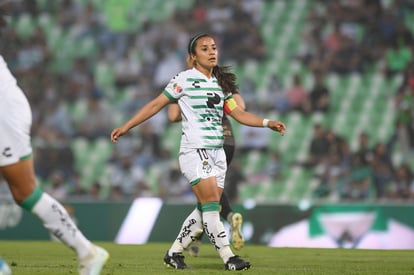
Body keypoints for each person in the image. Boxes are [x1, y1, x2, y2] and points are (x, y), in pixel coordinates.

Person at [110, 33, 286, 270]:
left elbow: (239, 114)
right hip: (195, 150)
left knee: (205, 208)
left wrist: (267, 122)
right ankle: (229, 257)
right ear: (193, 57)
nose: (212, 52)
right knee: (212, 205)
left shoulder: (221, 85)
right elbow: (155, 105)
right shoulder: (183, 80)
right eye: (205, 49)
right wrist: (126, 127)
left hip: (218, 153)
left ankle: (173, 253)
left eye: (214, 47)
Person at [0, 9, 108, 275]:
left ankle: (88, 252)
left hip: (4, 115)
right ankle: (88, 253)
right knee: (25, 193)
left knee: (25, 191)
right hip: (10, 106)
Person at [167, 66, 247, 255]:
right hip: (227, 141)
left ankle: (205, 234)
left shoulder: (184, 84)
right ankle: (198, 239)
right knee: (210, 191)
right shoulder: (221, 82)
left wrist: (188, 108)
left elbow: (172, 116)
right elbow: (241, 108)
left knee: (206, 193)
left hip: (204, 143)